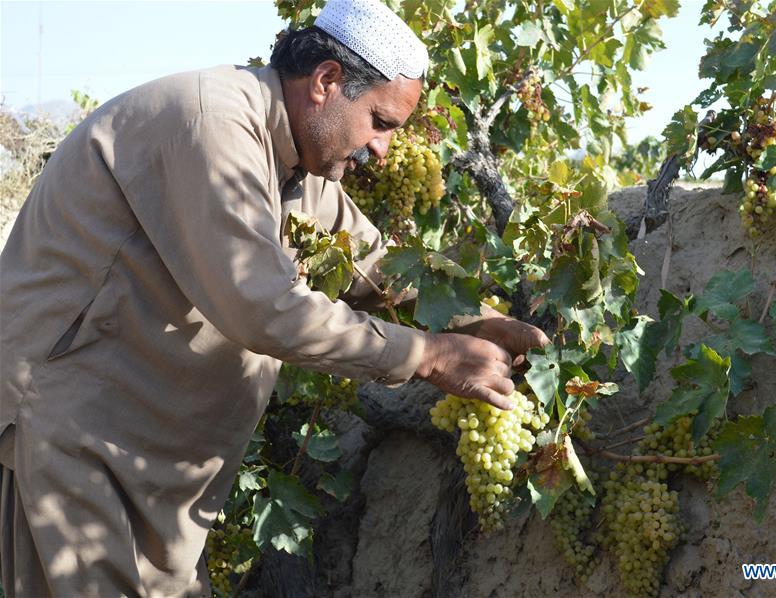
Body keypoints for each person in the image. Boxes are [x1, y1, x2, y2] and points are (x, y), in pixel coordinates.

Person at [0, 0, 549, 595]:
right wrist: (429, 354)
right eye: (381, 123)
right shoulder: (212, 124)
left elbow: (375, 267)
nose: (383, 150)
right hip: (75, 441)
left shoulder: (297, 165)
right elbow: (262, 306)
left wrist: (479, 319)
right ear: (327, 82)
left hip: (149, 464)